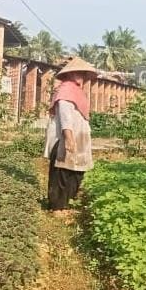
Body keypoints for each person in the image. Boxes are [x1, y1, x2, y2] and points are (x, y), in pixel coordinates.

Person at [44, 57, 98, 210]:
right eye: (77, 73)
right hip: (65, 139)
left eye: (82, 73)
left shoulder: (77, 92)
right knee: (62, 174)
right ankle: (57, 207)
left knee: (76, 173)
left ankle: (67, 204)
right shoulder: (66, 90)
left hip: (78, 139)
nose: (81, 76)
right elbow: (65, 116)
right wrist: (69, 138)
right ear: (69, 74)